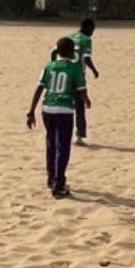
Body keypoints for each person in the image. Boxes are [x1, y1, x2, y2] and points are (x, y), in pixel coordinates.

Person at [27, 36, 89, 199]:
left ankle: (51, 178)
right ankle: (58, 184)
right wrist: (86, 100)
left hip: (47, 109)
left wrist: (31, 111)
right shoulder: (74, 68)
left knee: (50, 144)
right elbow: (81, 90)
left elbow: (39, 89)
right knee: (63, 147)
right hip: (64, 110)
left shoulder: (48, 66)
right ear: (69, 52)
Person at [68, 18, 100, 146]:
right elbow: (86, 58)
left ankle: (66, 133)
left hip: (66, 73)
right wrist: (94, 70)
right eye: (92, 29)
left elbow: (54, 52)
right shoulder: (86, 40)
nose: (93, 33)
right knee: (80, 107)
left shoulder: (69, 37)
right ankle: (79, 136)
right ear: (87, 27)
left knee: (67, 105)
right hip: (78, 76)